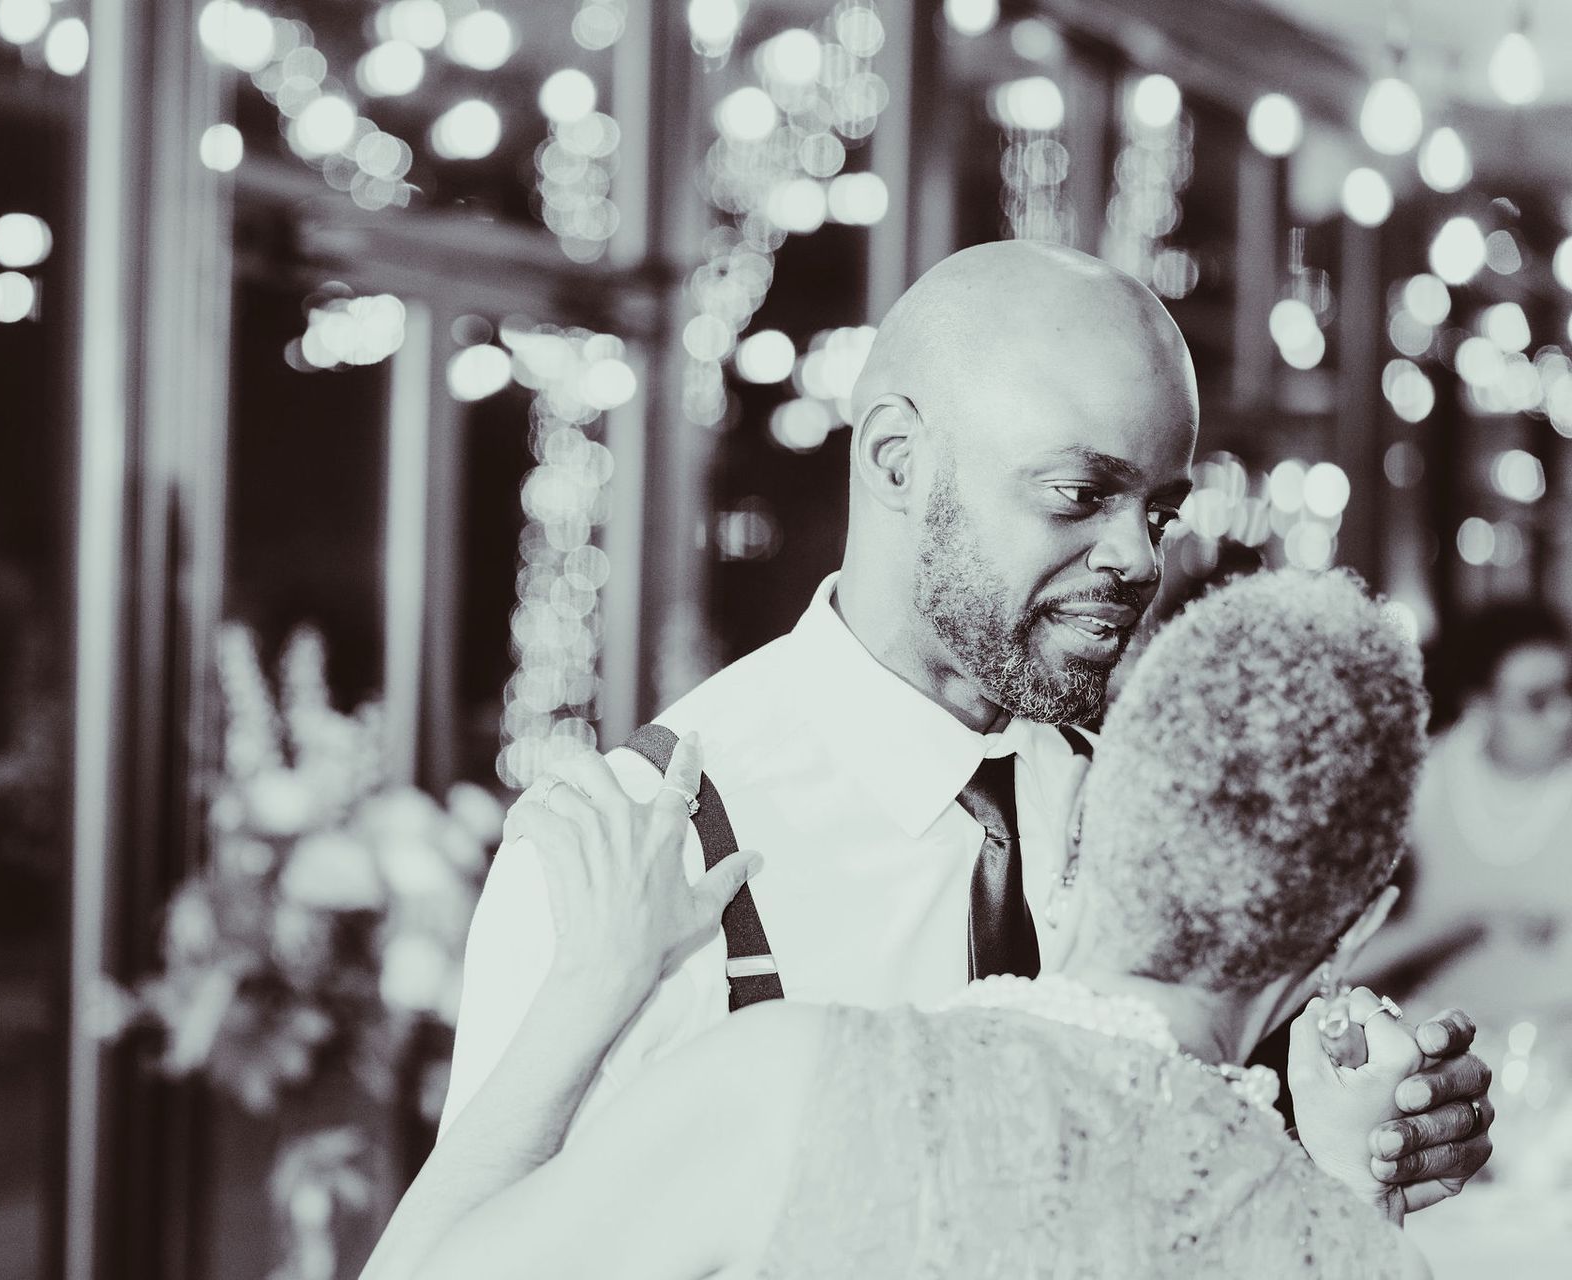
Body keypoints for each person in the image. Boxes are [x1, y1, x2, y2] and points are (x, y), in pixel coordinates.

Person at [436, 241, 1490, 1196]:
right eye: (1080, 495)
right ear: (897, 459)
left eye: (1159, 510)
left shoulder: (1155, 801)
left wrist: (1339, 1134)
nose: (1137, 558)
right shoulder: (632, 845)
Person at [366, 570, 1448, 1277]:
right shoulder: (1342, 1247)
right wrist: (1354, 1189)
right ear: (1354, 927)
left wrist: (585, 993)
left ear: (1080, 825)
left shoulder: (796, 1082)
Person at [1361, 603, 1572, 1039]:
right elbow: (1350, 960)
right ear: (1480, 704)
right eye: (1536, 700)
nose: (1562, 715)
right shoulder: (1419, 787)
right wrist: (1471, 923)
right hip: (1439, 1047)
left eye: (1568, 690)